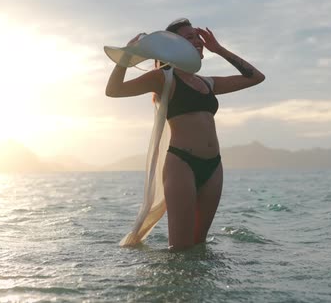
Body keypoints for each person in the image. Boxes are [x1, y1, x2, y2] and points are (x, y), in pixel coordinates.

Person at [105, 18, 265, 251]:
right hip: (182, 164)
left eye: (197, 36)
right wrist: (127, 56)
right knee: (180, 250)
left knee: (199, 247)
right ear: (175, 46)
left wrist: (218, 49)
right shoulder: (163, 78)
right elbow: (114, 90)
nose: (198, 41)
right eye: (189, 38)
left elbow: (255, 77)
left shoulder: (208, 83)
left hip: (213, 166)